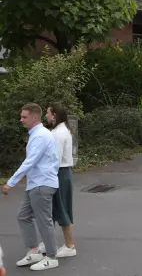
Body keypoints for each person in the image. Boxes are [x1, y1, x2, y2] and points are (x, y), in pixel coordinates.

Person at [2, 103, 60, 271]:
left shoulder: (41, 136)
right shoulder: (36, 134)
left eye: (24, 117)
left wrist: (11, 182)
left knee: (44, 221)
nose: (21, 120)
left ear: (35, 117)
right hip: (35, 184)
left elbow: (30, 162)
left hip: (42, 184)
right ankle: (34, 251)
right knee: (23, 216)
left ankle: (51, 256)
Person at [38, 103, 76, 258]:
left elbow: (55, 159)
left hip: (59, 173)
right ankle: (48, 242)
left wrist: (45, 176)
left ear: (54, 115)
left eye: (47, 113)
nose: (45, 115)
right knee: (53, 210)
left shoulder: (57, 134)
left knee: (61, 209)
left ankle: (69, 246)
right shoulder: (61, 130)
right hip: (62, 172)